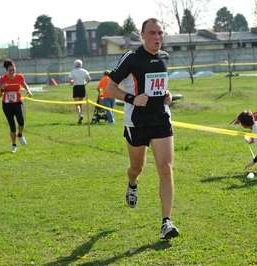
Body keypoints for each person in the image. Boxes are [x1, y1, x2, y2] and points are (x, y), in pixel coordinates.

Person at [106, 18, 179, 240]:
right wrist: (132, 98)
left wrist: (167, 95)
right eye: (152, 33)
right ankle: (132, 183)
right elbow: (110, 87)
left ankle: (166, 223)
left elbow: (158, 85)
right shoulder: (132, 57)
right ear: (142, 34)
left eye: (160, 33)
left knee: (165, 168)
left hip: (160, 121)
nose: (157, 37)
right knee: (136, 168)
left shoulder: (165, 57)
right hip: (136, 122)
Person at [0, 58, 32, 153]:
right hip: (7, 104)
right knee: (12, 126)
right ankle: (14, 145)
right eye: (10, 70)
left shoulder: (20, 77)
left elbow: (24, 85)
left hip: (18, 102)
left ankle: (20, 135)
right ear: (6, 71)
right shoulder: (3, 79)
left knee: (21, 122)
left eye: (13, 70)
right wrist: (2, 90)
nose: (12, 72)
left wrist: (28, 90)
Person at [68, 59, 91, 124]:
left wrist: (72, 82)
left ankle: (79, 115)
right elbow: (89, 79)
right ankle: (81, 115)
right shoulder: (84, 71)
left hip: (76, 87)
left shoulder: (73, 71)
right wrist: (85, 83)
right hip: (82, 87)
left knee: (77, 103)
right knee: (81, 103)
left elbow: (69, 80)